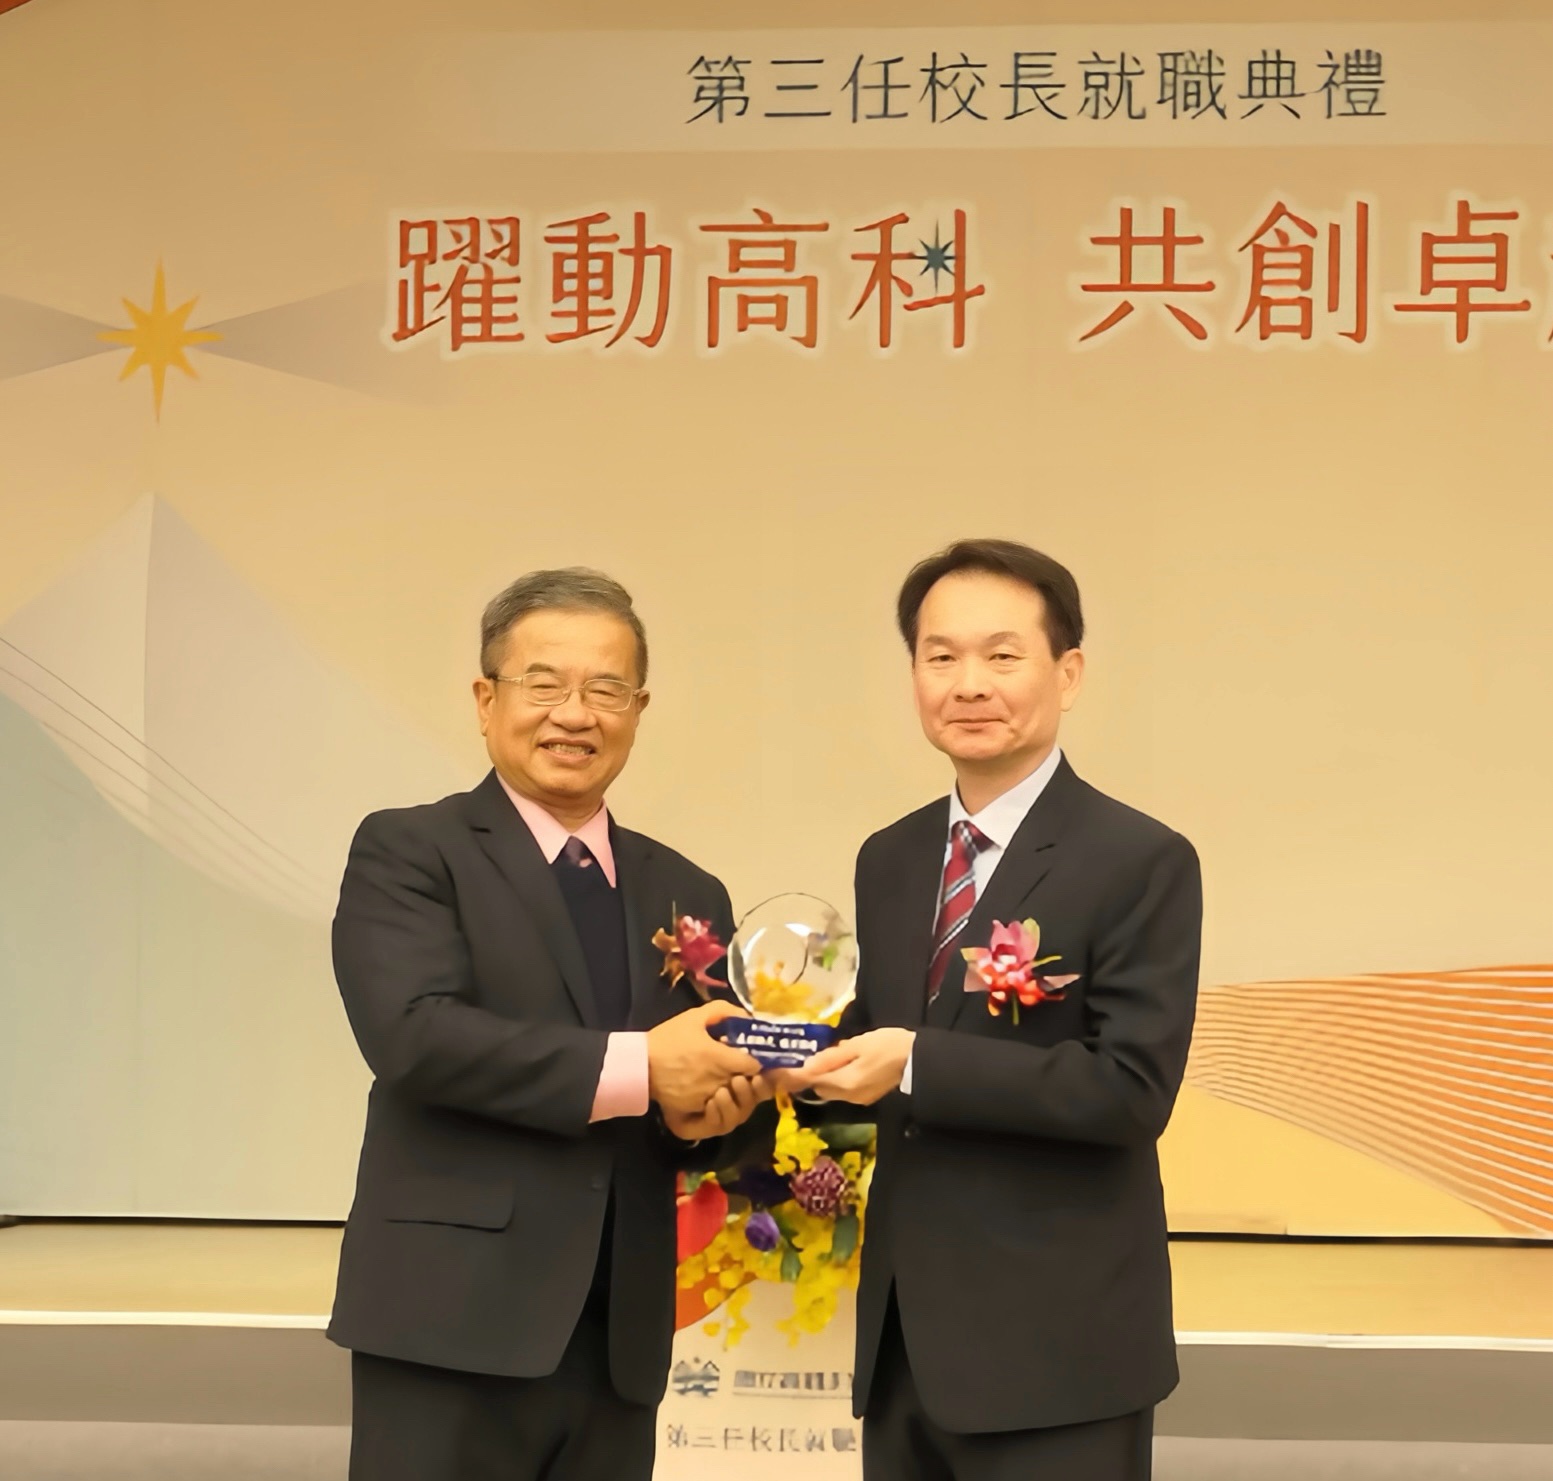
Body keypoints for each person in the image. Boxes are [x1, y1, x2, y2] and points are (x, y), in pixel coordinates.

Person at [328, 568, 769, 1481]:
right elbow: (415, 1038)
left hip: (617, 1335)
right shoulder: (411, 848)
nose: (575, 713)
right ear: (486, 699)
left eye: (606, 688)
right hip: (450, 1321)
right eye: (544, 683)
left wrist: (715, 1114)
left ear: (637, 709)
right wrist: (647, 1068)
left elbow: (701, 1096)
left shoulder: (688, 889)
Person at [785, 539, 1203, 1481]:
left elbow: (1129, 1089)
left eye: (1001, 655)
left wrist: (914, 1061)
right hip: (905, 1343)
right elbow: (879, 1044)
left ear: (1068, 673)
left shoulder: (1138, 859)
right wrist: (786, 1061)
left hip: (1059, 1349)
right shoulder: (891, 856)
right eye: (940, 656)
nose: (967, 683)